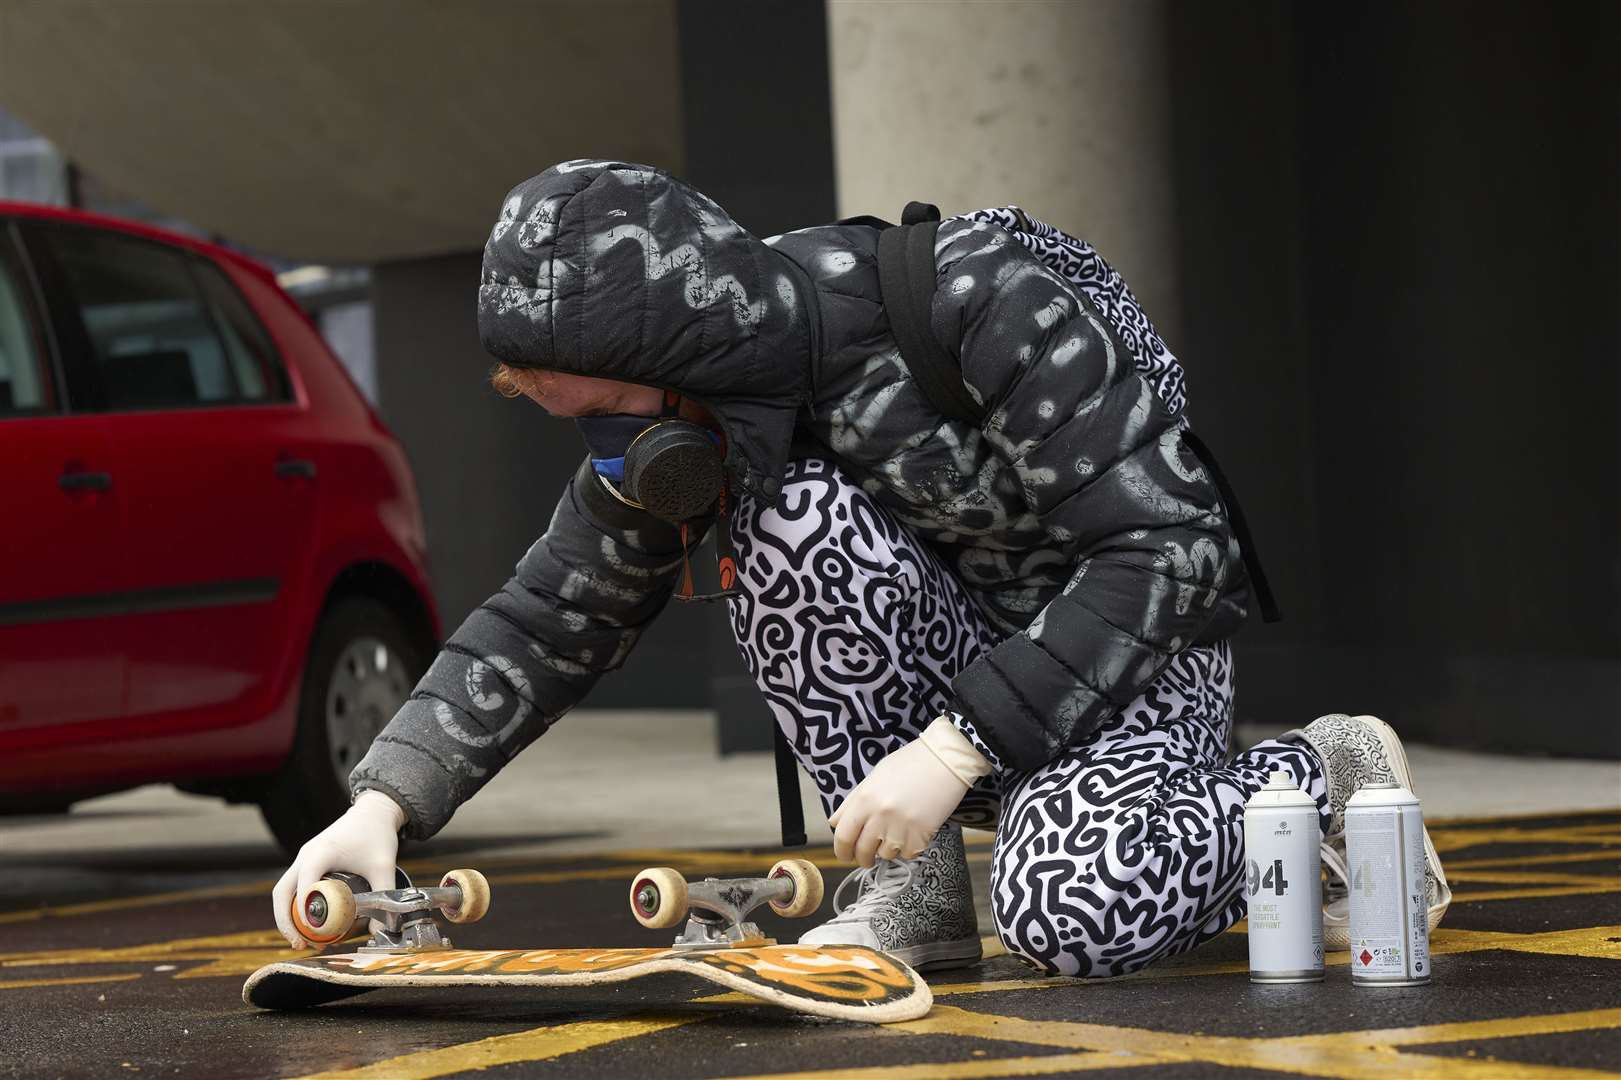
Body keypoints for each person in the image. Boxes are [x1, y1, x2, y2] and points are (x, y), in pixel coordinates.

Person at [273, 160, 1450, 975]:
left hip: (1133, 664)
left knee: (1072, 911)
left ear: (689, 352)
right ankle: (918, 899)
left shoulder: (975, 300)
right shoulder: (709, 426)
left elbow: (1173, 548)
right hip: (970, 696)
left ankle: (1323, 771)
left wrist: (954, 748)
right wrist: (380, 805)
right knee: (782, 526)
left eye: (613, 410)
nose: (611, 448)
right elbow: (546, 616)